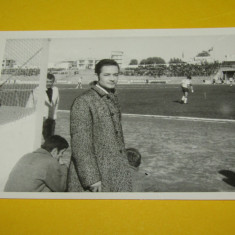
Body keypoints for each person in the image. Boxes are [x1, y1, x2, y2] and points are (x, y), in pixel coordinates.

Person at [67, 59, 133, 192]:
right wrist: (91, 178)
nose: (112, 78)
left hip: (113, 170)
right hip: (97, 174)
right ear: (97, 76)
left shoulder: (111, 97)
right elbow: (81, 144)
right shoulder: (84, 101)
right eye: (107, 75)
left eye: (115, 74)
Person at [4, 135, 69, 192]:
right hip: (24, 202)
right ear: (55, 151)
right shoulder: (50, 161)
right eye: (62, 152)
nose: (61, 156)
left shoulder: (26, 155)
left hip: (7, 198)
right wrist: (63, 166)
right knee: (50, 188)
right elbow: (61, 188)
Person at [27, 73, 59, 140]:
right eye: (47, 81)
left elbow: (56, 103)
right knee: (36, 139)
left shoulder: (56, 89)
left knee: (49, 139)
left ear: (53, 81)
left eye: (51, 82)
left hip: (51, 118)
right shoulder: (37, 90)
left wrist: (54, 116)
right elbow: (31, 104)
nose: (49, 83)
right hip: (40, 118)